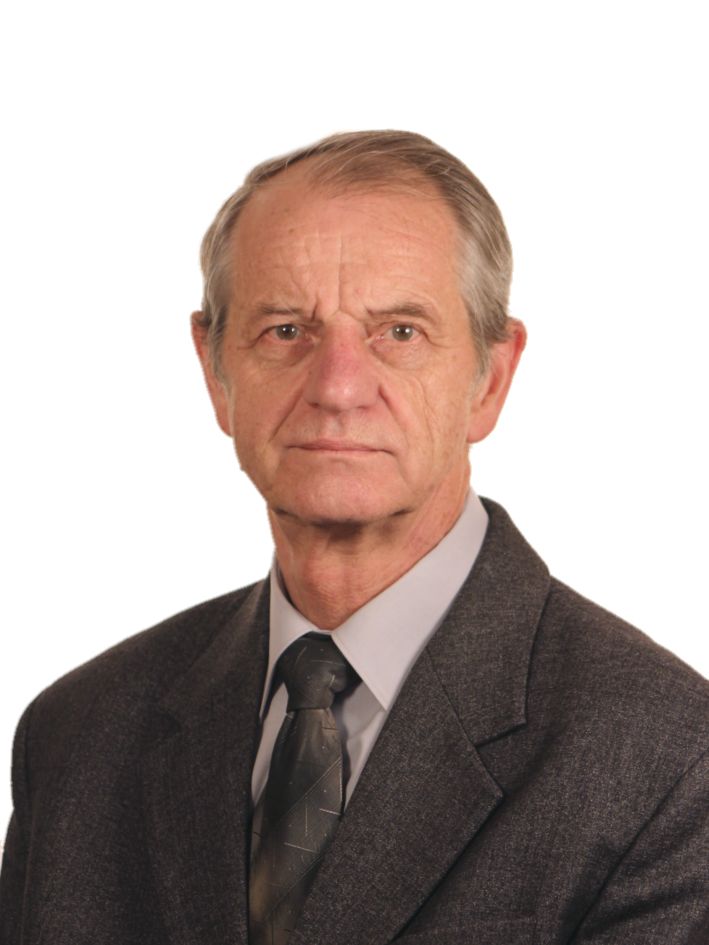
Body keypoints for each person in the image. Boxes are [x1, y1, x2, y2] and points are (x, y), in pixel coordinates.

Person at [1, 131, 707, 945]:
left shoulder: (667, 759)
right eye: (284, 330)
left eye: (399, 331)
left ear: (490, 378)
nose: (337, 387)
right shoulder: (77, 734)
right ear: (215, 371)